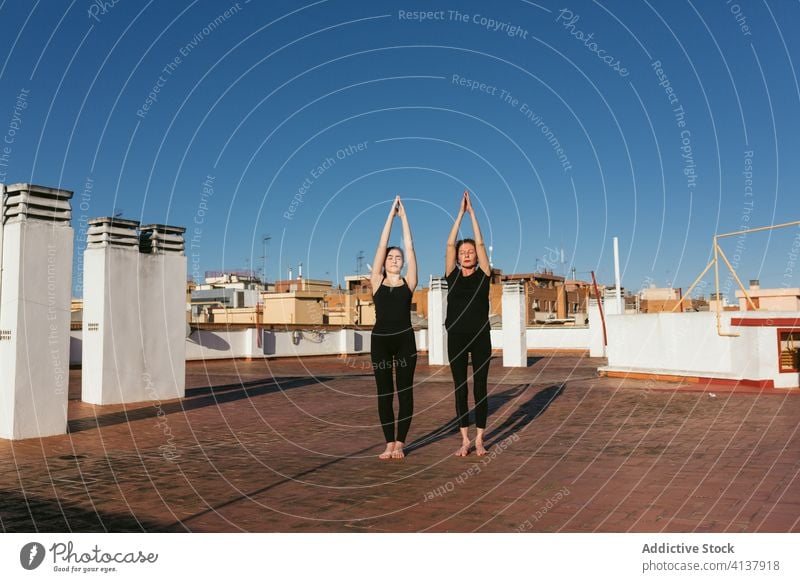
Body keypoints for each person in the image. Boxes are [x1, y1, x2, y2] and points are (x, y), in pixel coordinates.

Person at [370, 195, 418, 459]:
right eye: (391, 257)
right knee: (384, 392)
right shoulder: (376, 281)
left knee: (405, 391)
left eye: (398, 257)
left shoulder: (409, 282)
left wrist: (404, 217)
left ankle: (401, 442)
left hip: (404, 341)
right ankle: (389, 442)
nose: (395, 259)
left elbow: (410, 247)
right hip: (380, 341)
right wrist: (390, 216)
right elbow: (381, 245)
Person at [445, 190, 492, 457]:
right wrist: (459, 214)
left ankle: (480, 439)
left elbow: (482, 244)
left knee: (481, 387)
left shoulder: (484, 276)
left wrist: (473, 214)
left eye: (470, 252)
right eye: (463, 252)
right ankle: (464, 440)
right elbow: (449, 246)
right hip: (456, 337)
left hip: (480, 336)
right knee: (460, 388)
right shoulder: (452, 276)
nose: (466, 254)